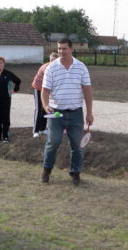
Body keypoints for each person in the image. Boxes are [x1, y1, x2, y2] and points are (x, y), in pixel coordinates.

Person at [41, 38, 94, 186]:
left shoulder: (81, 67)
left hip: (76, 113)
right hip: (56, 113)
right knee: (53, 142)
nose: (61, 51)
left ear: (71, 49)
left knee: (77, 145)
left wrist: (89, 112)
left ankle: (75, 173)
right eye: (59, 49)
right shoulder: (51, 68)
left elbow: (88, 91)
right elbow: (44, 91)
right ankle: (46, 170)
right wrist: (46, 105)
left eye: (64, 48)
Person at [31, 52, 59, 138]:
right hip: (38, 88)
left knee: (46, 109)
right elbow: (48, 83)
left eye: (54, 61)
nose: (52, 62)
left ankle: (42, 129)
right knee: (39, 109)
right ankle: (35, 130)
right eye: (51, 60)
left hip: (46, 90)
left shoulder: (57, 68)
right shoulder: (47, 68)